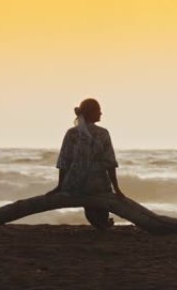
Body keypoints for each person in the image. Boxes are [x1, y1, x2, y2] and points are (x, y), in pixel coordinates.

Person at [47, 98, 124, 229]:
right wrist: (117, 189)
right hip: (96, 185)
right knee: (99, 196)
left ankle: (101, 223)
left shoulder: (71, 133)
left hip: (75, 184)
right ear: (91, 112)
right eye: (98, 111)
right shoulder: (103, 133)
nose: (101, 113)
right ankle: (102, 223)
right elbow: (110, 163)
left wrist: (60, 185)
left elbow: (64, 161)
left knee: (91, 203)